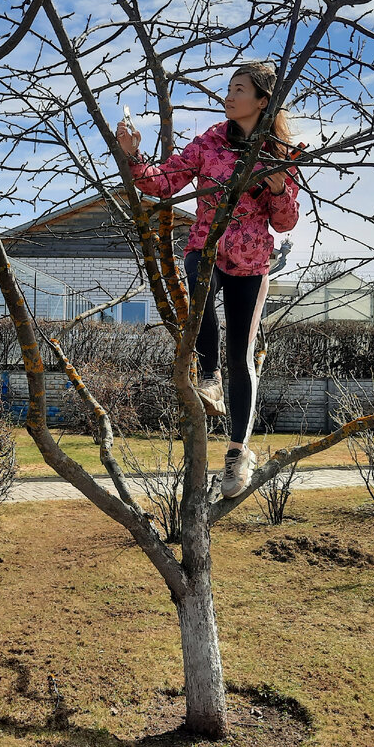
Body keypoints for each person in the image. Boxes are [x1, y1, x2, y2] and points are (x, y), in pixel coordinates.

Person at [115, 60, 300, 499]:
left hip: (252, 264)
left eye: (239, 89)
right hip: (206, 248)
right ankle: (209, 376)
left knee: (242, 356)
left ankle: (237, 455)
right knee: (199, 290)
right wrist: (134, 155)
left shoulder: (280, 153)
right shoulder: (210, 142)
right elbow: (165, 183)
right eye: (228, 88)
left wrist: (278, 188)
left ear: (262, 101)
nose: (229, 96)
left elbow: (285, 222)